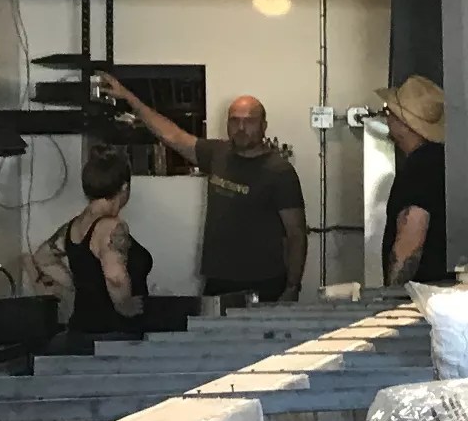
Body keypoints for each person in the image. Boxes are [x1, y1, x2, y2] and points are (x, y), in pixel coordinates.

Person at [94, 72, 308, 302]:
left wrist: (292, 287)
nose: (241, 127)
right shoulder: (217, 153)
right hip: (218, 281)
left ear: (264, 125)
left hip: (264, 284)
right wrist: (128, 97)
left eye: (249, 121)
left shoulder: (280, 172)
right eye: (234, 120)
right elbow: (171, 134)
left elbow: (296, 234)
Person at [27, 149, 156, 336]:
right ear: (124, 187)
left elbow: (42, 257)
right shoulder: (112, 227)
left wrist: (77, 283)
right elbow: (115, 277)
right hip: (114, 333)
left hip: (81, 329)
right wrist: (124, 306)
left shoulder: (74, 226)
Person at [377, 74, 451, 286]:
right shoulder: (441, 161)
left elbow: (412, 229)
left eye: (389, 113)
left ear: (404, 124)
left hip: (421, 292)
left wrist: (394, 292)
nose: (387, 119)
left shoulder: (419, 167)